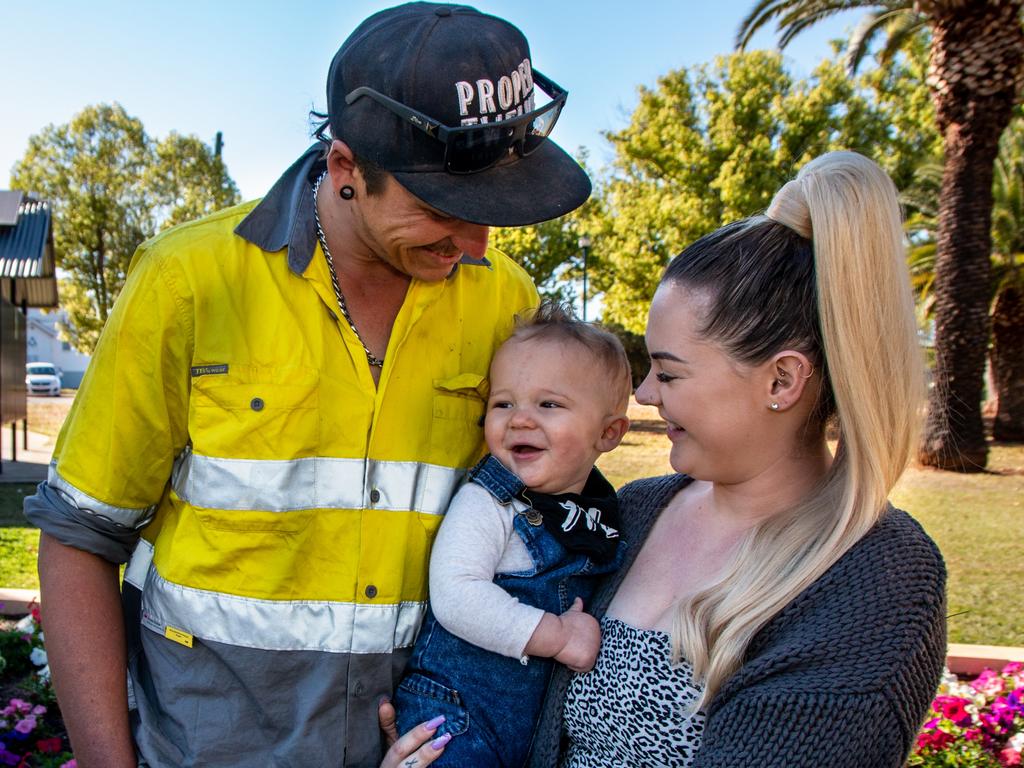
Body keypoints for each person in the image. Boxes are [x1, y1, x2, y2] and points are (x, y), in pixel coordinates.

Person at [24, 4, 593, 767]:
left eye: (494, 211)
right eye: (441, 210)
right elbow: (79, 535)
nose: (477, 243)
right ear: (346, 168)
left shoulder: (507, 300)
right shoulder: (187, 281)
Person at [526, 151, 947, 767]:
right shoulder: (636, 508)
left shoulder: (876, 577)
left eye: (668, 372)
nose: (643, 395)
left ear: (782, 381)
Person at [393, 302, 632, 767]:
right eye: (503, 403)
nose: (520, 419)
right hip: (453, 721)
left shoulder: (597, 517)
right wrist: (557, 636)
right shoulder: (490, 503)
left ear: (609, 433)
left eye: (549, 404)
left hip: (529, 732)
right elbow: (457, 595)